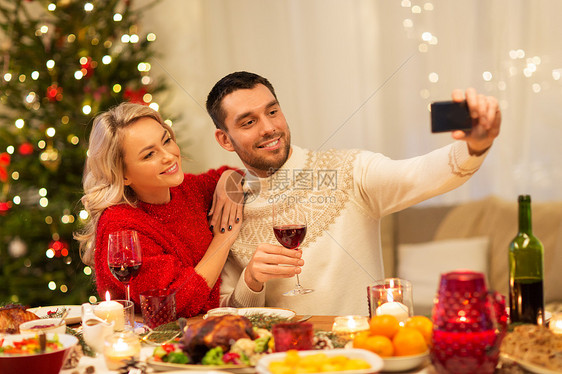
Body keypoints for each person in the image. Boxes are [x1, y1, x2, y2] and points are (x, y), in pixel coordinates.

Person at [205, 71, 501, 316]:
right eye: (249, 122)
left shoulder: (349, 170)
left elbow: (421, 174)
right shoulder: (228, 207)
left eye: (272, 111)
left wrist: (476, 146)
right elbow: (226, 315)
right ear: (225, 139)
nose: (269, 128)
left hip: (359, 356)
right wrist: (252, 281)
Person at [75, 102, 243, 318]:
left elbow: (235, 175)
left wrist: (230, 178)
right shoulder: (120, 225)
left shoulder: (186, 190)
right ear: (122, 174)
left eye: (167, 141)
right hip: (149, 342)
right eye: (149, 155)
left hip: (202, 327)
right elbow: (172, 303)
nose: (169, 156)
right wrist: (224, 239)